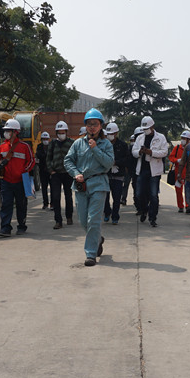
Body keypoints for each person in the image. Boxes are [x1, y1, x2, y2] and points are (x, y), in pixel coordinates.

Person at [64, 109, 114, 266]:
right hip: (81, 185)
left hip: (99, 184)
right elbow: (68, 161)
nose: (92, 127)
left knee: (93, 220)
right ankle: (97, 239)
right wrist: (75, 173)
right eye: (89, 124)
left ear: (100, 126)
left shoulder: (106, 144)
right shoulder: (77, 143)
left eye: (95, 124)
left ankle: (91, 254)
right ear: (85, 126)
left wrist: (95, 148)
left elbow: (109, 163)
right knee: (83, 220)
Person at [0, 118, 36, 237]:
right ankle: (5, 228)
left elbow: (31, 161)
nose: (6, 133)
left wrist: (24, 171)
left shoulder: (24, 146)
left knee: (21, 205)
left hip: (20, 181)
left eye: (9, 130)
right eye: (5, 130)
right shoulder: (2, 147)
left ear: (16, 132)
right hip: (6, 181)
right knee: (6, 205)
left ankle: (21, 226)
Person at [132, 116, 169, 227]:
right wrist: (140, 152)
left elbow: (164, 152)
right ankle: (144, 210)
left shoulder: (161, 137)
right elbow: (133, 151)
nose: (146, 130)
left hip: (154, 171)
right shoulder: (140, 138)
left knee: (153, 195)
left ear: (152, 126)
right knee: (139, 194)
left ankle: (153, 218)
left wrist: (151, 152)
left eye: (147, 128)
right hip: (142, 170)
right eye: (144, 129)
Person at [47, 121, 74, 229]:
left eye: (63, 132)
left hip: (68, 174)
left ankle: (69, 216)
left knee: (68, 196)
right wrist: (51, 170)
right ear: (56, 133)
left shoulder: (71, 143)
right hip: (56, 174)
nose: (61, 134)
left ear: (66, 132)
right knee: (55, 197)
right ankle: (58, 221)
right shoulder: (53, 143)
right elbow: (48, 158)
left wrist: (73, 171)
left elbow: (76, 157)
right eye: (59, 132)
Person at [103, 122, 130, 225]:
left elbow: (127, 159)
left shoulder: (123, 145)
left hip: (118, 175)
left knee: (117, 198)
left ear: (116, 133)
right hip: (106, 174)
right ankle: (107, 212)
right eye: (108, 133)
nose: (110, 135)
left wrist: (116, 162)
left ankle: (115, 216)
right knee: (105, 197)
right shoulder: (103, 144)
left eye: (112, 133)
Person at [168, 130, 190, 213]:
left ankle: (188, 206)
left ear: (188, 139)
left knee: (188, 190)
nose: (182, 140)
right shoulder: (177, 148)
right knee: (178, 190)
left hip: (188, 172)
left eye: (184, 138)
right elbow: (171, 157)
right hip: (178, 172)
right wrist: (177, 160)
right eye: (182, 138)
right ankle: (180, 206)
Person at [122, 126, 141, 206]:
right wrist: (125, 168)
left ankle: (136, 200)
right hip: (129, 170)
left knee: (136, 185)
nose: (133, 141)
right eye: (132, 140)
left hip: (137, 170)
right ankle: (123, 199)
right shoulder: (128, 149)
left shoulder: (139, 148)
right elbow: (126, 159)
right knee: (125, 184)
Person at [35, 131, 52, 209]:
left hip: (50, 170)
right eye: (44, 139)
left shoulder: (51, 146)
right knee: (44, 188)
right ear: (41, 140)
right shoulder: (39, 147)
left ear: (49, 139)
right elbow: (38, 155)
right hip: (42, 170)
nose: (45, 140)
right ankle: (45, 203)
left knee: (53, 188)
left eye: (46, 139)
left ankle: (52, 203)